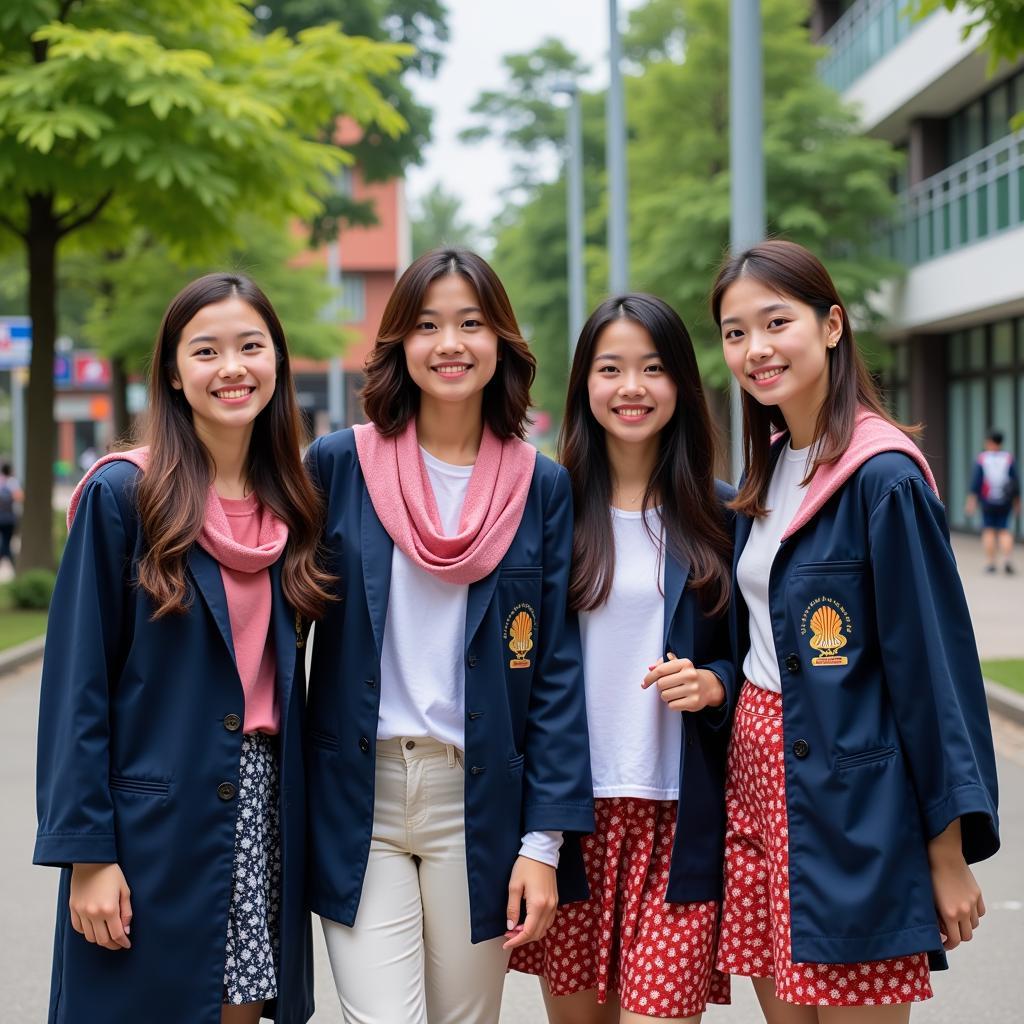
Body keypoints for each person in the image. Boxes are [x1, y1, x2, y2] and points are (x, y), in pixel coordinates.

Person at [710, 240, 999, 1022]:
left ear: (832, 325)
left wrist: (945, 853)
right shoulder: (768, 471)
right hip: (760, 786)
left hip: (852, 797)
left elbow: (933, 672)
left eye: (776, 322)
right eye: (735, 332)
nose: (756, 349)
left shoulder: (882, 477)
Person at [304, 247, 594, 1024]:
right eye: (428, 325)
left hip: (480, 801)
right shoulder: (341, 466)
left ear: (501, 340)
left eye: (471, 323)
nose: (450, 344)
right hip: (360, 794)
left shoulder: (540, 485)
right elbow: (247, 527)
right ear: (400, 343)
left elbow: (558, 674)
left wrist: (543, 846)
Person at [34, 273, 330, 1024]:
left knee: (236, 1008)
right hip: (153, 820)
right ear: (173, 370)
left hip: (261, 806)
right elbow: (77, 690)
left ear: (277, 361)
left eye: (251, 347)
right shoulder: (124, 497)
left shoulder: (291, 503)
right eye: (207, 350)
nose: (232, 367)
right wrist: (88, 856)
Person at [509, 294, 735, 1023]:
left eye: (653, 368)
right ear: (584, 386)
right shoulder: (548, 507)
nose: (632, 387)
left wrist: (714, 684)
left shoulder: (720, 513)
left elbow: (755, 658)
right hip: (572, 819)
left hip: (678, 821)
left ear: (681, 387)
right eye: (611, 369)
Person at [965, 429, 1019, 574]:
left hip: (987, 501)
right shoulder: (1008, 458)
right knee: (1004, 530)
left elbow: (976, 482)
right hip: (1005, 500)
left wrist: (971, 501)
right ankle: (1007, 559)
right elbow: (1015, 482)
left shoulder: (982, 458)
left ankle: (991, 563)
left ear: (989, 442)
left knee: (988, 530)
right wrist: (1017, 501)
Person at [0, 460, 22, 569]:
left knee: (4, 542)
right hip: (9, 518)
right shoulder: (12, 482)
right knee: (6, 543)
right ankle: (13, 564)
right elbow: (19, 497)